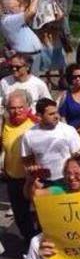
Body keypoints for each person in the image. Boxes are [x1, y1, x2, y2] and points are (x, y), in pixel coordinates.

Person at [21, 98, 80, 190]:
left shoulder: (68, 130)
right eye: (51, 114)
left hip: (67, 181)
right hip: (43, 183)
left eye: (57, 112)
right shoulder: (29, 135)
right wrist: (34, 180)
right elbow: (26, 161)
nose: (56, 116)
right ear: (39, 116)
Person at [2, 90, 36, 239]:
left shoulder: (36, 124)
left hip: (35, 179)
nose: (16, 111)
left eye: (20, 107)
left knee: (42, 213)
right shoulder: (4, 124)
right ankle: (29, 242)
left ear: (28, 107)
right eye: (13, 108)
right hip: (13, 178)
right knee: (21, 215)